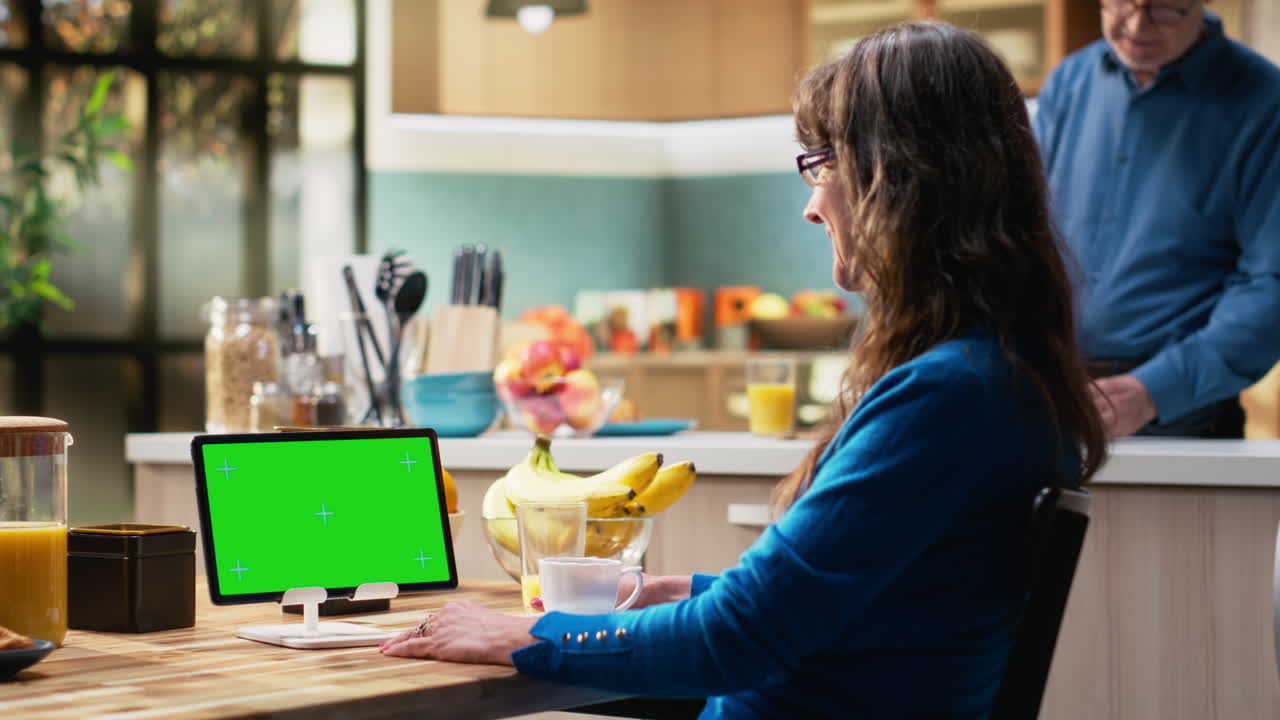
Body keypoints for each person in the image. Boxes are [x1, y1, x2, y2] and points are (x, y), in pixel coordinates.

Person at [379, 21, 1109, 719]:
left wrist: (522, 638)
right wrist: (678, 590)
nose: (811, 203)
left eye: (823, 164)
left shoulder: (947, 396)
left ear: (904, 182)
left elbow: (734, 642)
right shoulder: (999, 377)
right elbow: (868, 601)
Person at [1033, 1, 1280, 438]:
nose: (1136, 24)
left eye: (1163, 8)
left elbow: (1270, 283)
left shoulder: (1264, 102)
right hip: (1053, 391)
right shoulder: (1068, 82)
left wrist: (1154, 391)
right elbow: (1026, 233)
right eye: (1121, 3)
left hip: (1181, 412)